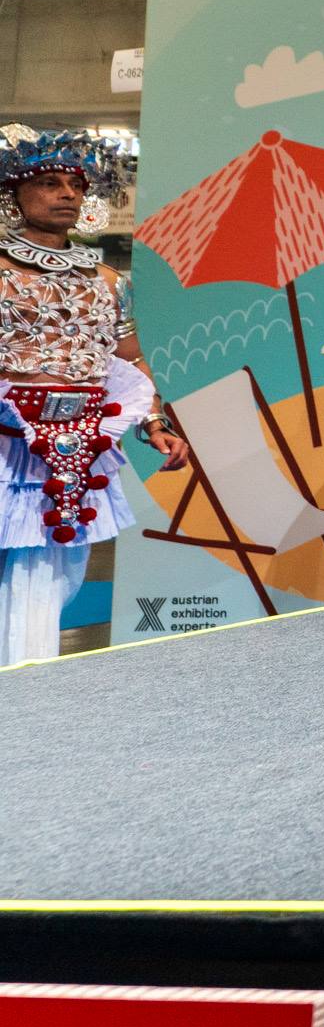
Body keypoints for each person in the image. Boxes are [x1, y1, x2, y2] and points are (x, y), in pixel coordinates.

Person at [0, 127, 175, 664]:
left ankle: (31, 675)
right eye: (49, 183)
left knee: (62, 572)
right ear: (14, 195)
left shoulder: (107, 279)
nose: (67, 194)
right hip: (7, 445)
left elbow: (131, 360)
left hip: (81, 444)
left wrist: (155, 424)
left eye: (76, 185)